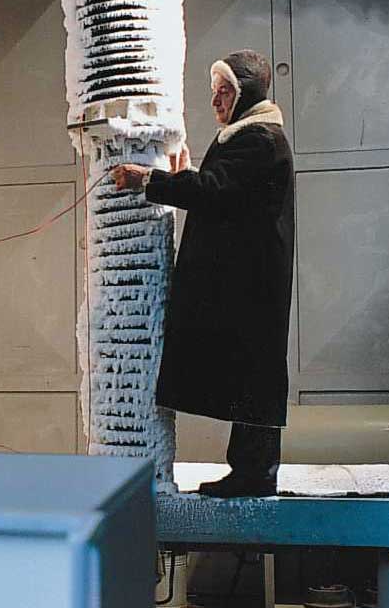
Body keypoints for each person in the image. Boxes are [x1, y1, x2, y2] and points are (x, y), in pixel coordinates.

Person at [110, 50, 295, 497]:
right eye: (214, 91)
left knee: (254, 375)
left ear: (246, 93)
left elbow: (214, 190)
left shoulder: (258, 139)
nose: (215, 100)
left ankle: (254, 474)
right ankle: (251, 471)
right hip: (250, 282)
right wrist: (186, 177)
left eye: (224, 91)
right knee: (251, 375)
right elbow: (227, 193)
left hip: (251, 285)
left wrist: (149, 180)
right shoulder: (248, 138)